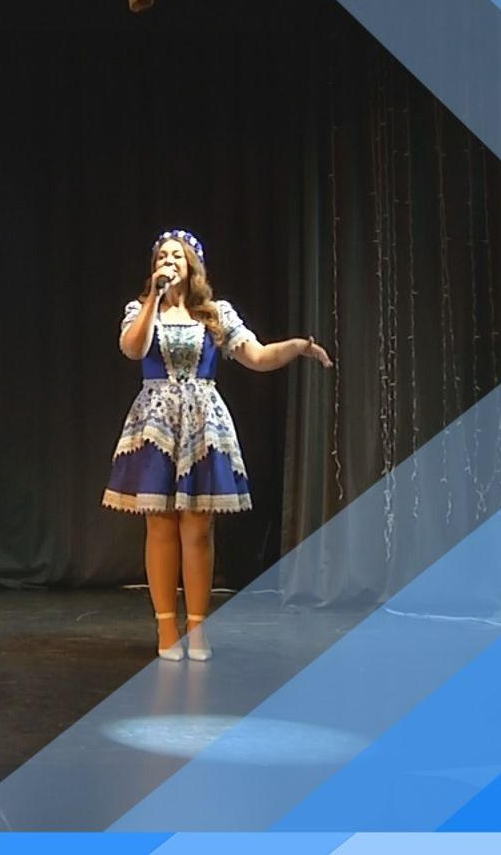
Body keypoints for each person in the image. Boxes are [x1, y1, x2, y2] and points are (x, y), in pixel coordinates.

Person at [104, 228, 331, 661]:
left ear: (192, 265)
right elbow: (133, 350)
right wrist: (153, 299)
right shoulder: (140, 309)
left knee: (198, 528)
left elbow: (257, 356)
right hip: (155, 422)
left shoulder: (215, 314)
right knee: (160, 526)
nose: (168, 262)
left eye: (176, 256)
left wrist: (298, 347)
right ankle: (166, 627)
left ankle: (197, 627)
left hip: (202, 422)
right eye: (162, 256)